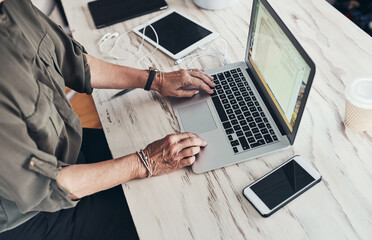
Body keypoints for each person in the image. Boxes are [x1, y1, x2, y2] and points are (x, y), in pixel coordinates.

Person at [0, 0, 215, 239]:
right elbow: (52, 187)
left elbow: (74, 62)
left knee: (182, 175)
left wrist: (157, 80)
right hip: (34, 213)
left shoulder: (12, 7)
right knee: (169, 220)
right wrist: (145, 162)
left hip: (68, 148)